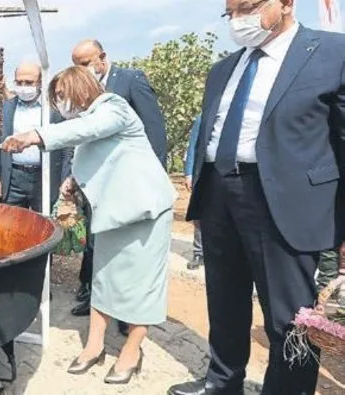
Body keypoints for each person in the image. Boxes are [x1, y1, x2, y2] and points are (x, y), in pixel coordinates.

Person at [169, 1, 345, 394]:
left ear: (285, 4)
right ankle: (222, 381)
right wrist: (202, 192)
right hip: (219, 192)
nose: (238, 20)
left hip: (286, 199)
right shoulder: (224, 70)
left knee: (289, 316)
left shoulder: (334, 53)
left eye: (247, 7)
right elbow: (210, 135)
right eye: (229, 12)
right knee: (225, 298)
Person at [2, 66, 175, 384]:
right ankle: (94, 346)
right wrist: (72, 181)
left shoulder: (114, 107)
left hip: (145, 210)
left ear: (80, 91)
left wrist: (34, 136)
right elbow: (93, 150)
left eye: (62, 96)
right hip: (113, 212)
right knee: (104, 279)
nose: (61, 105)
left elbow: (92, 130)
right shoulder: (86, 122)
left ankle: (132, 351)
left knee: (142, 283)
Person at [69, 39, 168, 321]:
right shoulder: (83, 89)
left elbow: (154, 129)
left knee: (130, 246)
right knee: (94, 241)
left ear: (102, 57)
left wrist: (151, 178)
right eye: (77, 65)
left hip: (129, 182)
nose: (82, 70)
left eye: (86, 64)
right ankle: (93, 297)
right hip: (97, 181)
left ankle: (128, 313)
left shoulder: (129, 80)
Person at [0, 61, 67, 210]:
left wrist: (65, 178)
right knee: (11, 225)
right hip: (13, 178)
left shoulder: (54, 109)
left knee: (42, 225)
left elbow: (66, 147)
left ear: (40, 82)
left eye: (29, 82)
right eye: (19, 82)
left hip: (44, 176)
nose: (23, 86)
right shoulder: (5, 108)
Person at [184, 114, 204, 271]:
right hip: (201, 174)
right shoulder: (201, 118)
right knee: (199, 215)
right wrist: (189, 174)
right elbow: (193, 147)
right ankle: (198, 253)